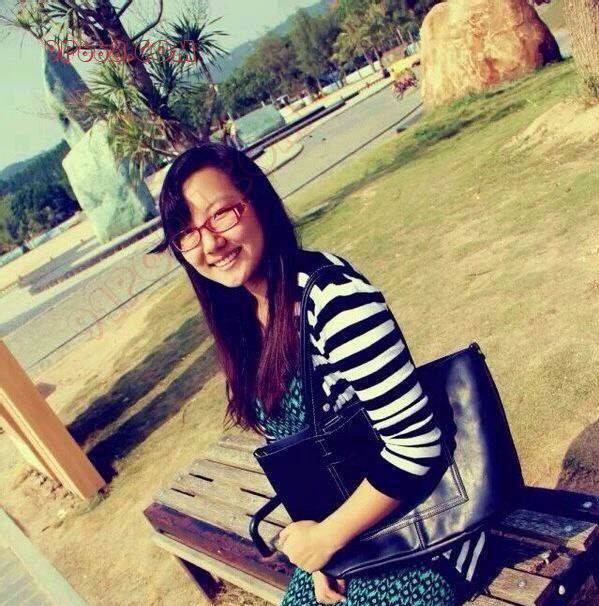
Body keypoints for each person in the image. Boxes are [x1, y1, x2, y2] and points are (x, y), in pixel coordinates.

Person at [152, 143, 488, 605]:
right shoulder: (245, 315)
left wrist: (328, 539)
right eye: (187, 233)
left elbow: (418, 446)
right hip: (352, 537)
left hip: (430, 533)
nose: (210, 243)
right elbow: (308, 455)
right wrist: (321, 555)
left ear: (256, 201)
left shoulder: (334, 299)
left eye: (221, 215)